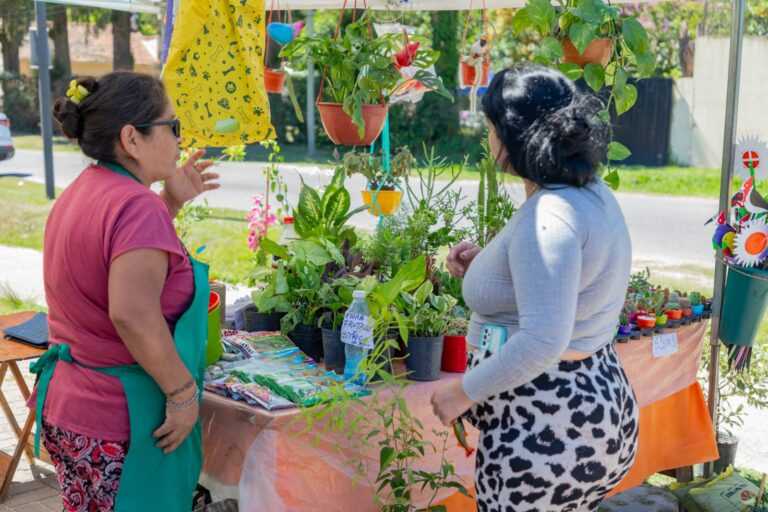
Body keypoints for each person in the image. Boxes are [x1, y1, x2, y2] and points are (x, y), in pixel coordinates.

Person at [431, 65, 638, 511]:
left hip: (544, 423)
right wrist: (487, 269)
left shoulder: (549, 216)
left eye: (489, 129)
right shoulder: (588, 193)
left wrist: (461, 392)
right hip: (590, 402)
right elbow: (560, 282)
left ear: (511, 137)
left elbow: (544, 339)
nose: (487, 140)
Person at [30, 71, 220, 511]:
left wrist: (170, 204)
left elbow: (120, 269)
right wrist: (182, 393)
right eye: (172, 127)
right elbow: (132, 313)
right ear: (132, 138)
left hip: (74, 408)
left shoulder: (88, 190)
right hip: (119, 421)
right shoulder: (136, 207)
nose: (179, 140)